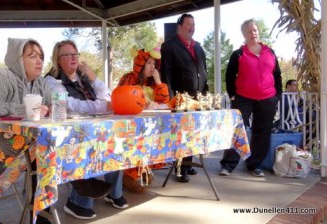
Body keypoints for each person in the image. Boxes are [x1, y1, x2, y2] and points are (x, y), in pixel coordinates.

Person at [45, 40, 128, 220]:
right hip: (69, 135)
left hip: (92, 127)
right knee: (92, 144)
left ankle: (113, 192)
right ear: (58, 60)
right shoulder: (52, 81)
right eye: (68, 54)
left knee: (115, 142)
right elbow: (69, 105)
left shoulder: (83, 78)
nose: (74, 57)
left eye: (75, 53)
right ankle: (77, 202)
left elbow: (108, 97)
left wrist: (94, 78)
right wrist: (101, 107)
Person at [0, 38, 52, 224]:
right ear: (18, 59)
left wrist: (51, 109)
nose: (39, 61)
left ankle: (42, 211)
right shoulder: (2, 76)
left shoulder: (41, 83)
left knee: (48, 150)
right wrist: (24, 110)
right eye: (32, 56)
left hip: (30, 142)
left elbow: (53, 105)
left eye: (41, 56)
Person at [219, 19, 282, 177]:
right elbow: (229, 76)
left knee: (262, 132)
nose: (253, 33)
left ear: (258, 32)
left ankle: (254, 165)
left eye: (254, 30)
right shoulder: (238, 54)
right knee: (236, 130)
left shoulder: (270, 52)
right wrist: (233, 95)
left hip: (267, 98)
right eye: (249, 31)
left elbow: (277, 75)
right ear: (244, 35)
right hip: (243, 98)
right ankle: (228, 165)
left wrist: (277, 96)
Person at [160, 13, 208, 183]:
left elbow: (203, 72)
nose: (191, 27)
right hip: (180, 99)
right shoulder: (169, 46)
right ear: (179, 27)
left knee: (193, 133)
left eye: (193, 24)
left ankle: (188, 164)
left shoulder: (198, 47)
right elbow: (167, 75)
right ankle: (180, 169)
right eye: (188, 24)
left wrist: (205, 95)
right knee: (181, 135)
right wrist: (172, 100)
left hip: (197, 97)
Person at [117, 48, 170, 192]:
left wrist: (159, 82)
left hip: (149, 125)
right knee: (137, 146)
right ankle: (129, 176)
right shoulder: (129, 79)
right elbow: (122, 99)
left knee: (154, 141)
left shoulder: (152, 82)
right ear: (140, 65)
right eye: (149, 63)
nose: (152, 66)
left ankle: (144, 169)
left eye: (154, 63)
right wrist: (141, 103)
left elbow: (164, 103)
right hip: (132, 125)